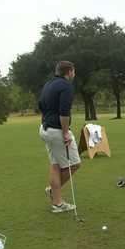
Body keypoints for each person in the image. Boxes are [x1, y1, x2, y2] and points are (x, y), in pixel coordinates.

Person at [38, 61, 81, 213]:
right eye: (74, 71)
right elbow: (64, 113)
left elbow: (41, 106)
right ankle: (54, 193)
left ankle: (57, 202)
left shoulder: (48, 84)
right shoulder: (66, 86)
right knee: (74, 164)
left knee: (55, 165)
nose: (74, 74)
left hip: (44, 129)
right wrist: (65, 132)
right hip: (57, 131)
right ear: (69, 72)